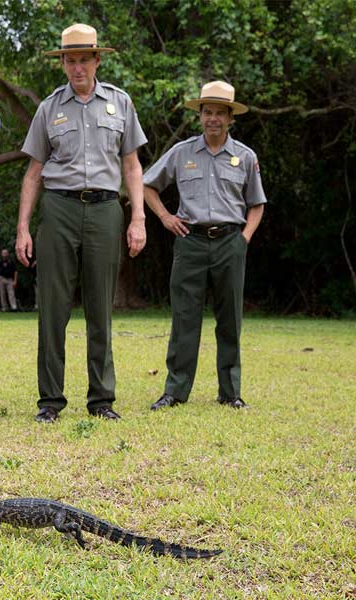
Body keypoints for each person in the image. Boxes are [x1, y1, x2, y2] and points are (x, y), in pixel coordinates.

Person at [15, 24, 147, 423]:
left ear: (97, 60)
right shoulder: (49, 108)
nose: (76, 67)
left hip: (107, 209)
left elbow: (132, 165)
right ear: (63, 64)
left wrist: (137, 217)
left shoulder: (120, 103)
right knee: (53, 306)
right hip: (59, 209)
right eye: (69, 60)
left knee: (100, 307)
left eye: (83, 59)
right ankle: (50, 402)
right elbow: (33, 172)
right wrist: (23, 228)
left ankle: (102, 399)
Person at [143, 81, 266, 411]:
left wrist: (244, 239)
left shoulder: (245, 156)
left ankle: (230, 392)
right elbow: (146, 186)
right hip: (190, 242)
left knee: (230, 320)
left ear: (230, 118)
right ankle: (175, 391)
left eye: (220, 113)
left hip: (230, 242)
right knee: (184, 319)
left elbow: (257, 204)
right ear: (200, 116)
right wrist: (166, 218)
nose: (213, 118)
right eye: (207, 112)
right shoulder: (182, 152)